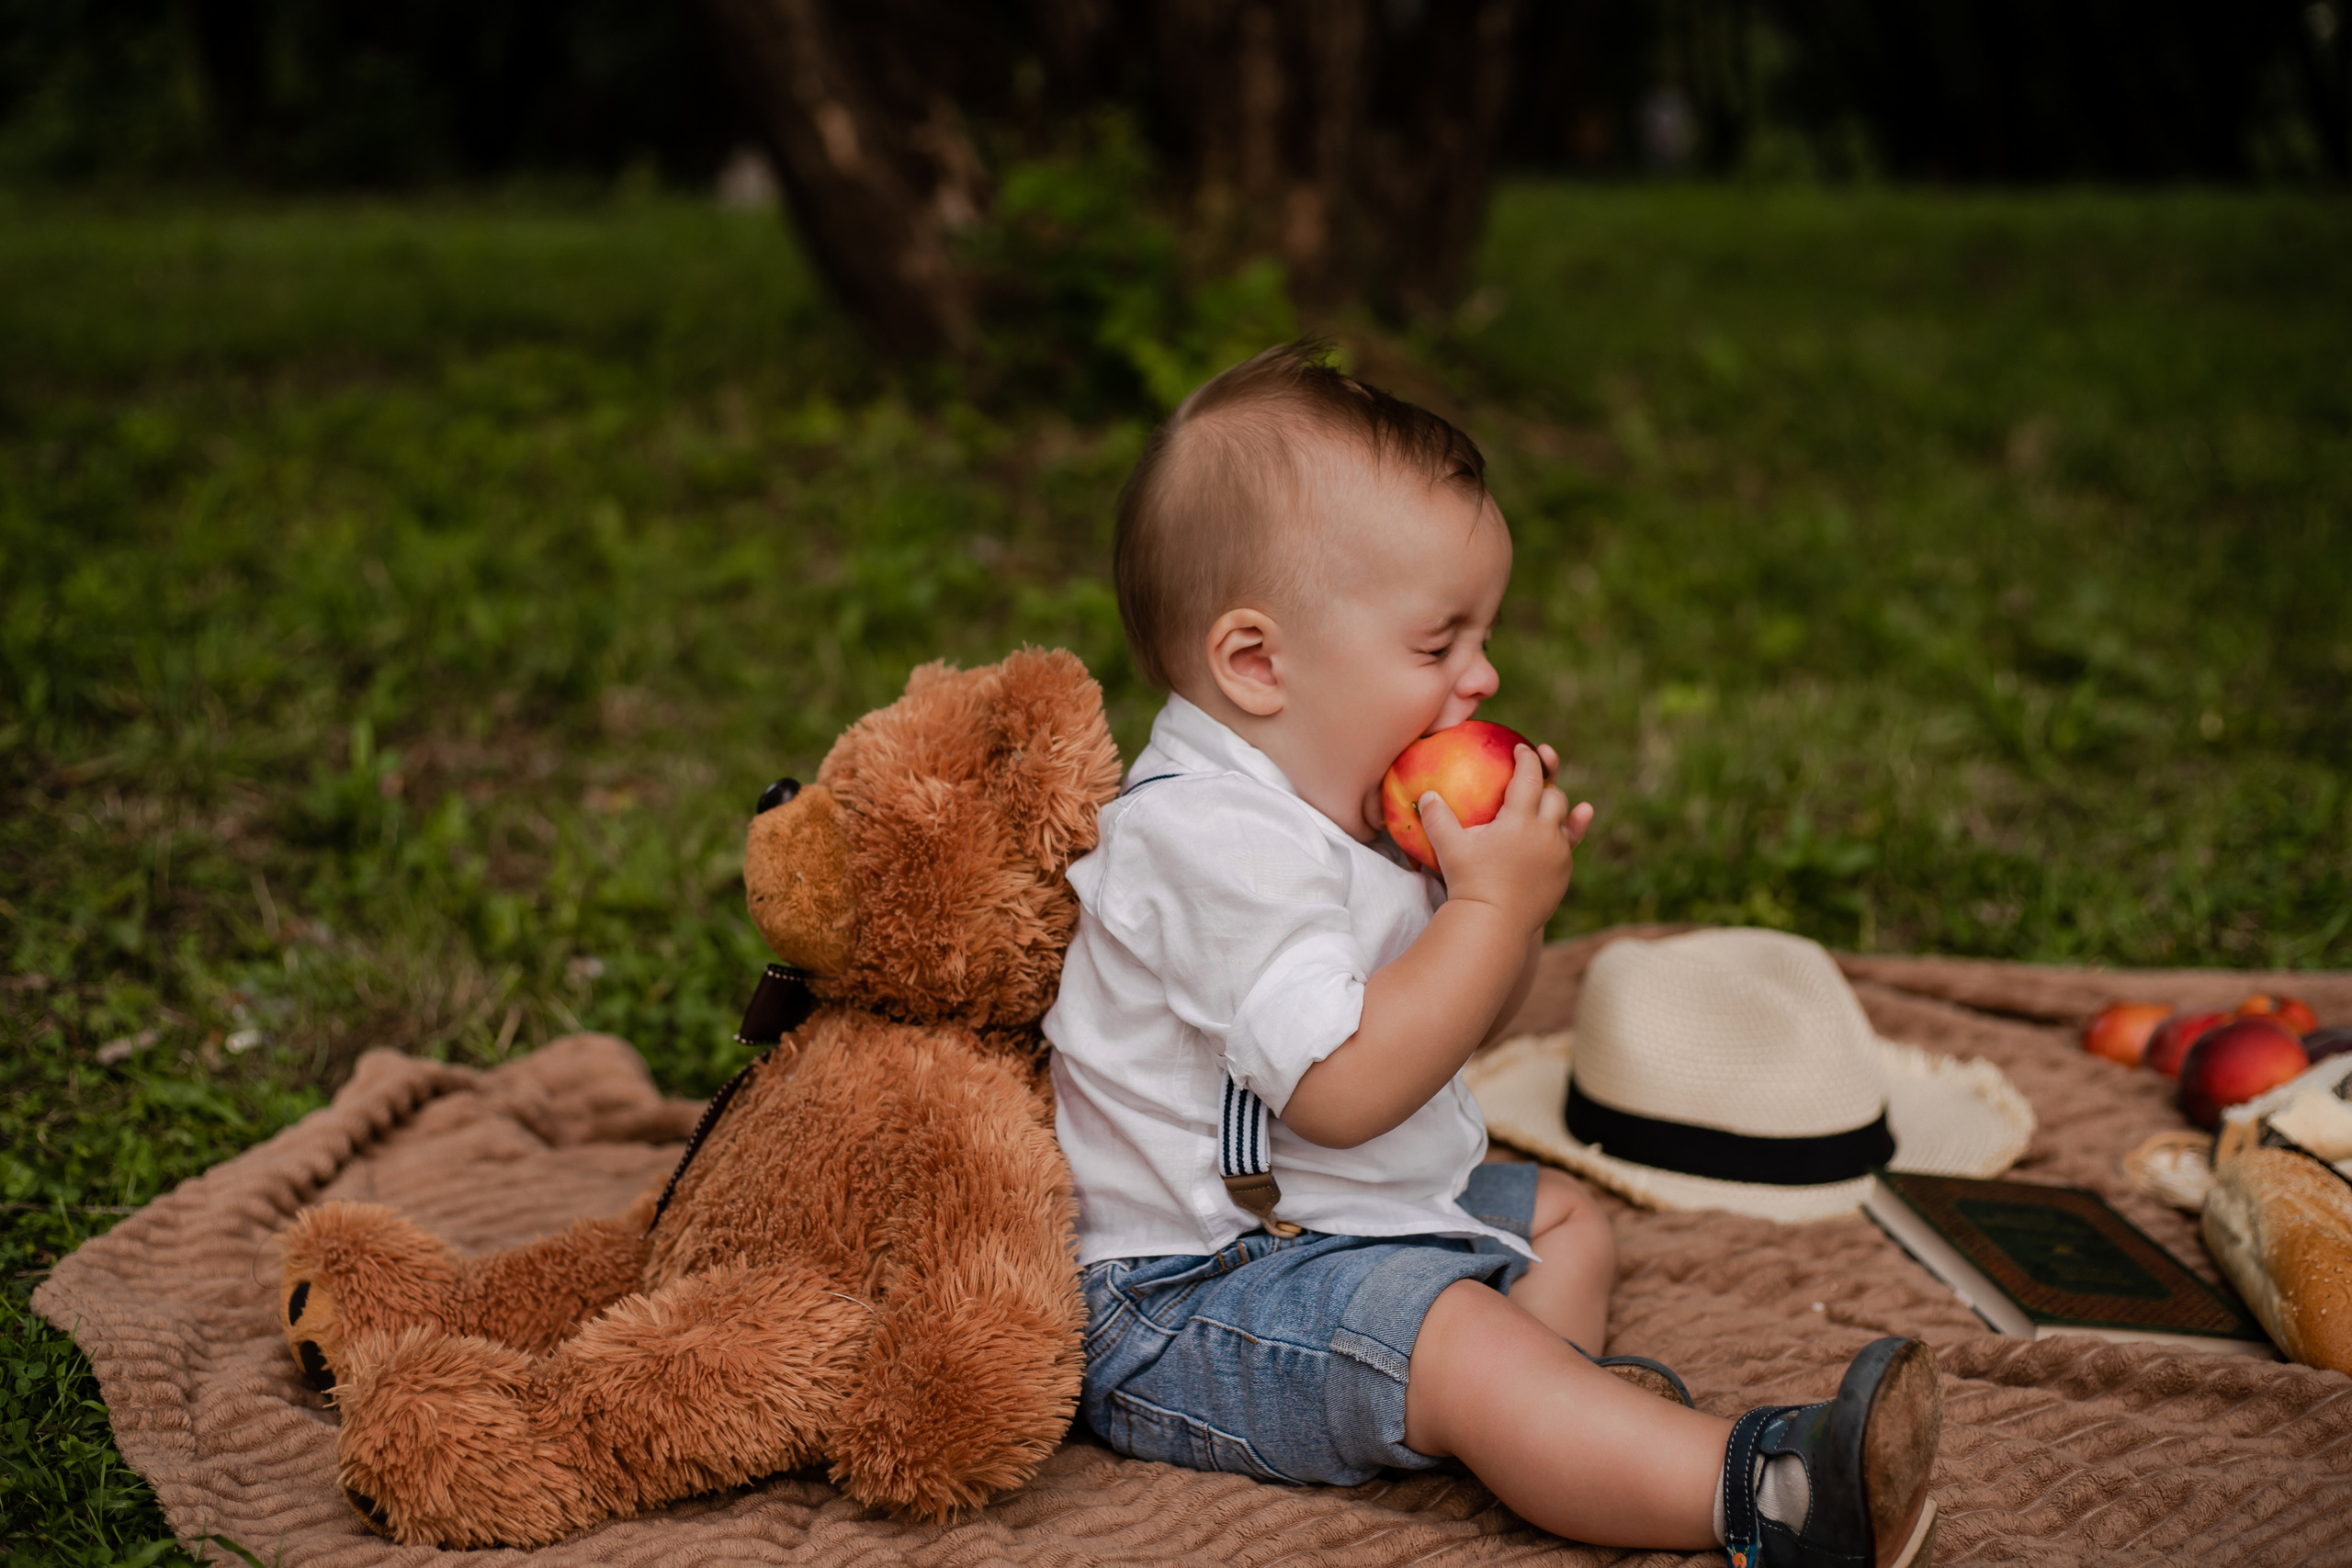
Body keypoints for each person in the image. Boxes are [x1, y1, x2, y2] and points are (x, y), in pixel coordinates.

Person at [1042, 343, 1941, 1568]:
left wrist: (1491, 918)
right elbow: (1346, 1090)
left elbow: (1470, 1024)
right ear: (1257, 664)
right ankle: (1768, 1493)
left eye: (1483, 637)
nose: (1484, 676)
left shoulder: (1343, 800)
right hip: (1197, 1295)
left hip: (1340, 1225)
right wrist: (1488, 918)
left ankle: (1563, 1417)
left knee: (1564, 1222)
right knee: (1461, 1338)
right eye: (1438, 644)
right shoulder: (1209, 843)